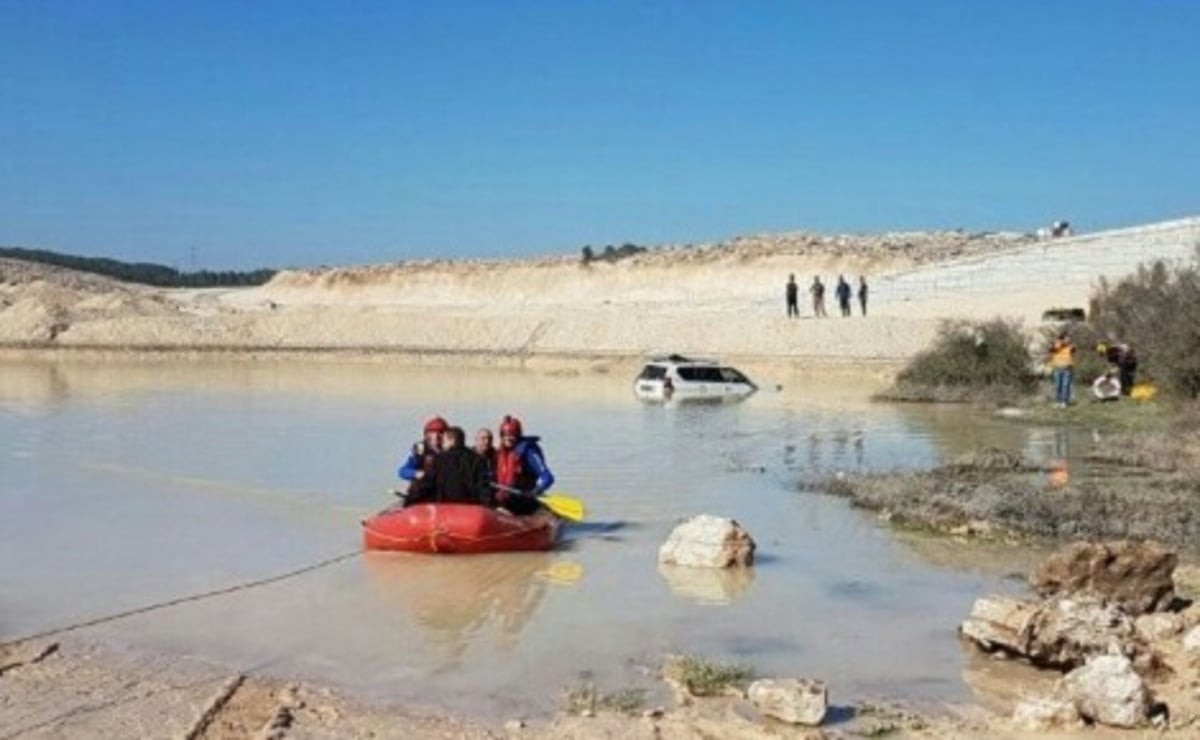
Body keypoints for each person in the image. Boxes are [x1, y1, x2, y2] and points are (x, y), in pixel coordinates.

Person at [493, 415, 554, 515]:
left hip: (524, 499)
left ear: (518, 435)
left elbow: (548, 477)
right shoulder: (499, 453)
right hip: (505, 498)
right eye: (504, 435)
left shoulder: (528, 451)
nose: (508, 438)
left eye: (512, 434)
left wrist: (536, 491)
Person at [425, 426, 493, 505]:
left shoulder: (439, 460)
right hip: (471, 510)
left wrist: (411, 502)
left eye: (444, 441)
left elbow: (426, 484)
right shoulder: (477, 460)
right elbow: (483, 488)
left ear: (452, 440)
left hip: (445, 510)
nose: (442, 444)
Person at [398, 416, 448, 493]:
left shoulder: (454, 450)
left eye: (440, 432)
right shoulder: (420, 449)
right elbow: (403, 471)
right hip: (424, 491)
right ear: (426, 434)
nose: (436, 436)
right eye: (432, 432)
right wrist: (416, 473)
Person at [1047, 333, 1075, 408]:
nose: (1068, 340)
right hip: (1057, 368)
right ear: (1062, 339)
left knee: (1065, 385)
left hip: (1067, 368)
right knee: (1057, 386)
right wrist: (1058, 342)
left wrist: (1063, 344)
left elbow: (1073, 350)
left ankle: (1064, 401)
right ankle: (1058, 401)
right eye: (1067, 338)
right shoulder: (1056, 346)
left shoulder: (1071, 346)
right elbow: (1051, 349)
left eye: (1069, 339)